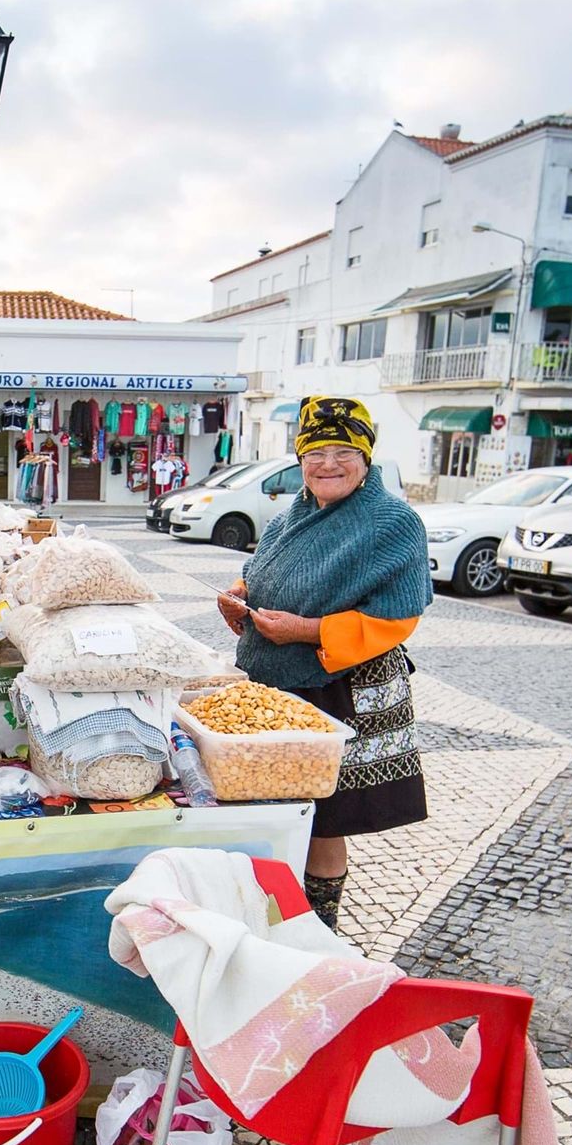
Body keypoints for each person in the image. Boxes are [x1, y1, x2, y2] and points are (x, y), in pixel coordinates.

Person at [217, 397, 432, 931]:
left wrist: (307, 631)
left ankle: (320, 928)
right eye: (316, 453)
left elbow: (397, 618)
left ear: (366, 458)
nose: (328, 464)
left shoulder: (393, 521)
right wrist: (242, 593)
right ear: (300, 459)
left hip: (343, 686)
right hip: (280, 680)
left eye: (344, 452)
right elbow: (269, 570)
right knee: (277, 807)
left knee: (323, 820)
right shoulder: (296, 511)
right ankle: (273, 913)